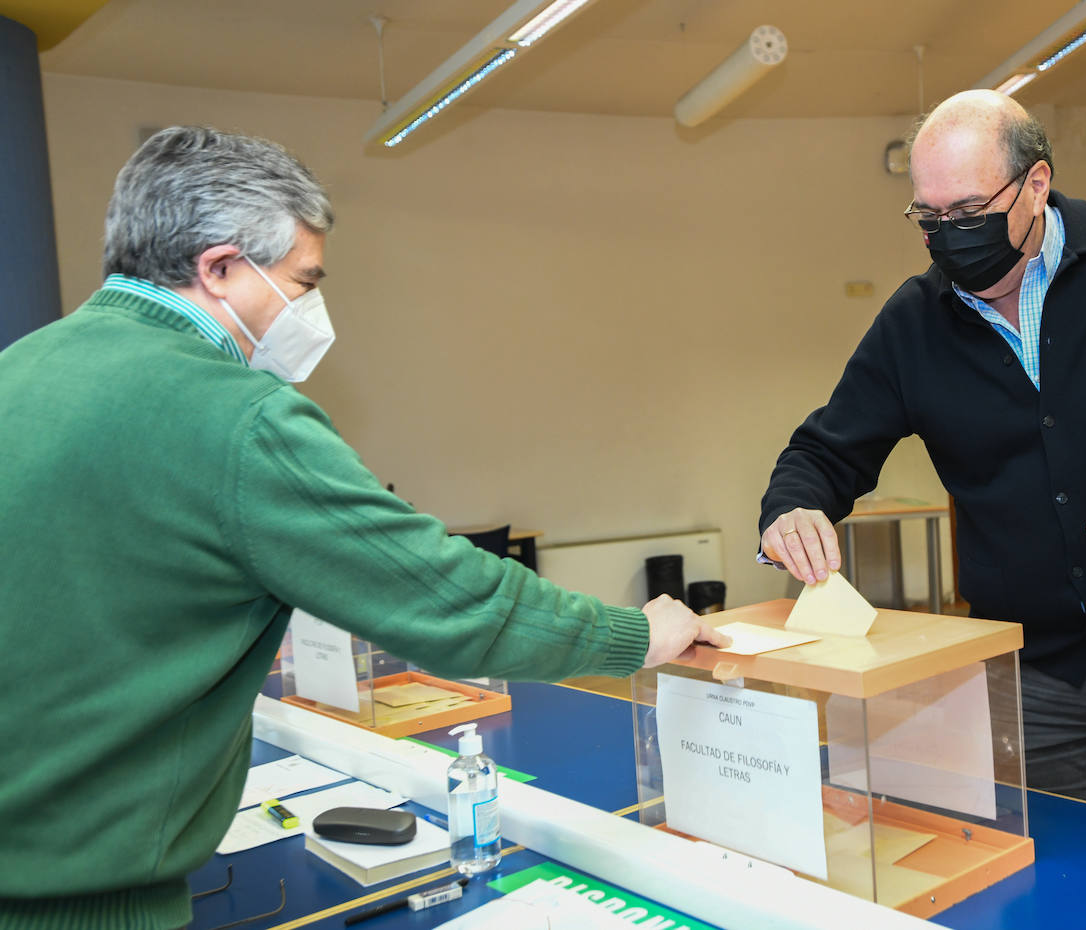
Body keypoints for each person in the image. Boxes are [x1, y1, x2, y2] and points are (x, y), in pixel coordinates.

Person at [0, 126, 728, 930]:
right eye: (301, 280)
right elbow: (451, 601)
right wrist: (640, 633)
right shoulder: (236, 418)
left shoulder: (20, 369)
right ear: (219, 268)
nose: (311, 306)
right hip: (82, 904)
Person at [758, 90, 1086, 846]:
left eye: (970, 211)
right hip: (1034, 673)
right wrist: (793, 508)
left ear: (1037, 184)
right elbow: (824, 450)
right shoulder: (914, 324)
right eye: (930, 218)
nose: (950, 237)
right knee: (1059, 883)